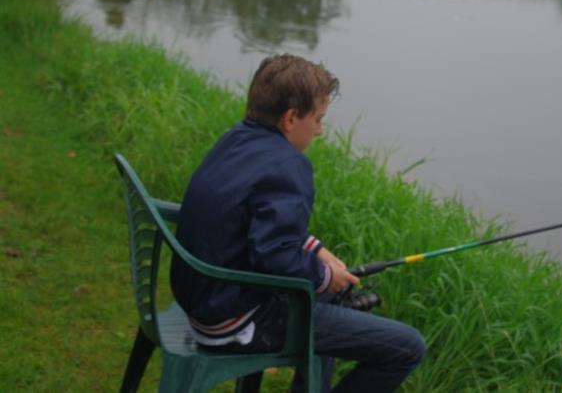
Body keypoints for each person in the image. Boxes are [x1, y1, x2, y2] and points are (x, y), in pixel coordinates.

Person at [170, 55, 425, 392]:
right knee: (407, 347)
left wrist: (316, 251)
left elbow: (258, 222)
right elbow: (275, 257)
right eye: (318, 119)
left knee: (334, 291)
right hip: (235, 321)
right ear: (291, 118)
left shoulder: (236, 139)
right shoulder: (289, 165)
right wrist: (325, 276)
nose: (320, 130)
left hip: (206, 301)